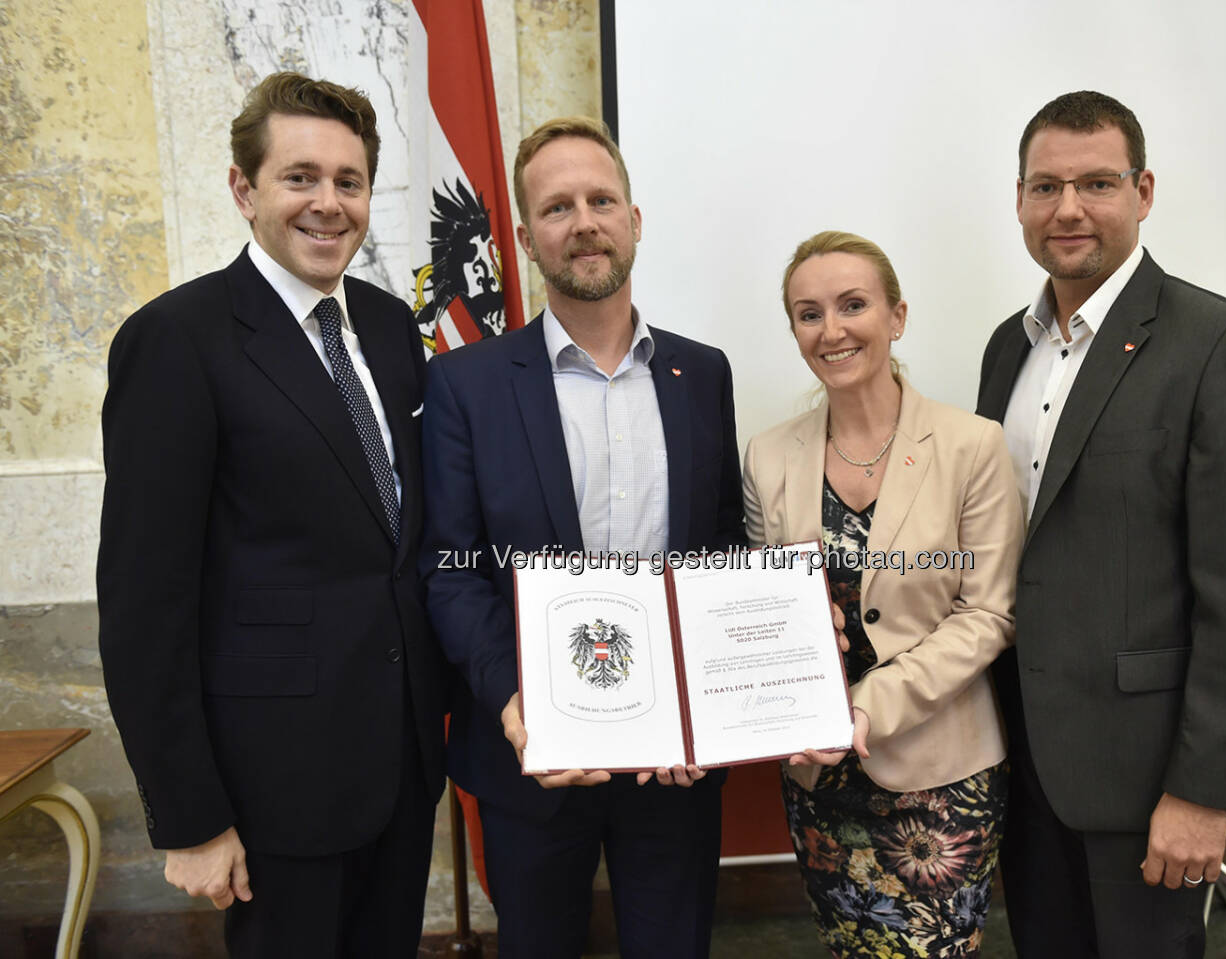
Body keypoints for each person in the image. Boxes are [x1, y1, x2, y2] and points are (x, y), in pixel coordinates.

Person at [96, 72, 448, 956]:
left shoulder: (388, 324)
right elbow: (144, 604)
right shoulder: (176, 340)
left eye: (350, 181)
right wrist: (190, 816)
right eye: (301, 178)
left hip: (400, 769)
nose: (329, 204)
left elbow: (394, 543)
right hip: (272, 794)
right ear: (244, 189)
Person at [975, 90, 1226, 957]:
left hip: (1148, 781)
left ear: (1144, 190)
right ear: (1018, 200)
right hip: (1024, 765)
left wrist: (1204, 791)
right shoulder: (1008, 348)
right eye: (1045, 187)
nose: (1069, 209)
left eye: (1097, 183)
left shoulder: (1223, 342)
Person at [421, 115, 745, 958]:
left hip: (672, 762)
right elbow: (451, 569)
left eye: (602, 199)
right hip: (532, 755)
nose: (585, 221)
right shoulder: (467, 384)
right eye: (558, 207)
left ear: (634, 220)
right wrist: (515, 703)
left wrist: (702, 704)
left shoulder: (701, 371)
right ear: (527, 238)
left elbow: (714, 550)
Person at [743, 231, 1024, 958]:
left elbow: (989, 612)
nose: (831, 330)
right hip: (818, 781)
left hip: (940, 777)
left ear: (896, 316)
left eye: (853, 305)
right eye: (809, 313)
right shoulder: (768, 454)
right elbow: (759, 605)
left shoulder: (973, 445)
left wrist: (868, 704)